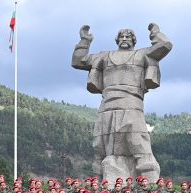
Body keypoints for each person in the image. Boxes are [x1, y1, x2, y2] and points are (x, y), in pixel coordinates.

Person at [71, 23, 173, 182]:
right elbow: (79, 60)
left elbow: (165, 45)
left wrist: (155, 32)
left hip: (132, 105)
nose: (124, 39)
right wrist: (85, 41)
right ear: (117, 40)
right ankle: (101, 189)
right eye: (121, 37)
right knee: (101, 149)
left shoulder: (142, 54)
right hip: (108, 107)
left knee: (140, 147)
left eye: (128, 37)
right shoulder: (104, 56)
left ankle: (151, 187)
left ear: (134, 41)